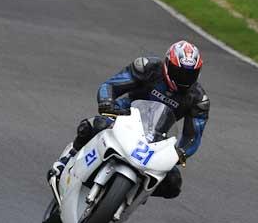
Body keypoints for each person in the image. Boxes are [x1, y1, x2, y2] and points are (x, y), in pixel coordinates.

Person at [48, 40, 210, 199]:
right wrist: (107, 103)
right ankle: (64, 162)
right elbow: (110, 86)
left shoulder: (198, 99)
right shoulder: (147, 68)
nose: (184, 78)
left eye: (190, 74)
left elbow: (193, 137)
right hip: (123, 116)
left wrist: (179, 153)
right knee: (91, 126)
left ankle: (137, 193)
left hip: (155, 137)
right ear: (167, 64)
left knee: (173, 184)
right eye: (179, 72)